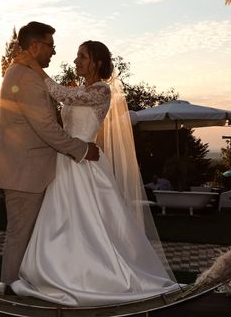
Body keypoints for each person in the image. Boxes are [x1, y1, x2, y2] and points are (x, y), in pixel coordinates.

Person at [10, 40, 180, 306]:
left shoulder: (101, 91)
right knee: (62, 221)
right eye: (77, 56)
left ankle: (100, 275)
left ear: (97, 63)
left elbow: (61, 94)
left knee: (90, 223)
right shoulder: (80, 89)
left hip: (86, 166)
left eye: (82, 57)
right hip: (66, 160)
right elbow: (64, 106)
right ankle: (62, 273)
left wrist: (35, 66)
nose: (76, 61)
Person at [0, 22, 100, 295]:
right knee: (21, 235)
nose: (54, 51)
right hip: (25, 171)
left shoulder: (24, 73)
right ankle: (11, 291)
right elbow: (46, 129)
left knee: (29, 235)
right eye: (50, 45)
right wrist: (82, 150)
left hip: (27, 169)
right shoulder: (25, 78)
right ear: (35, 46)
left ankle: (19, 286)